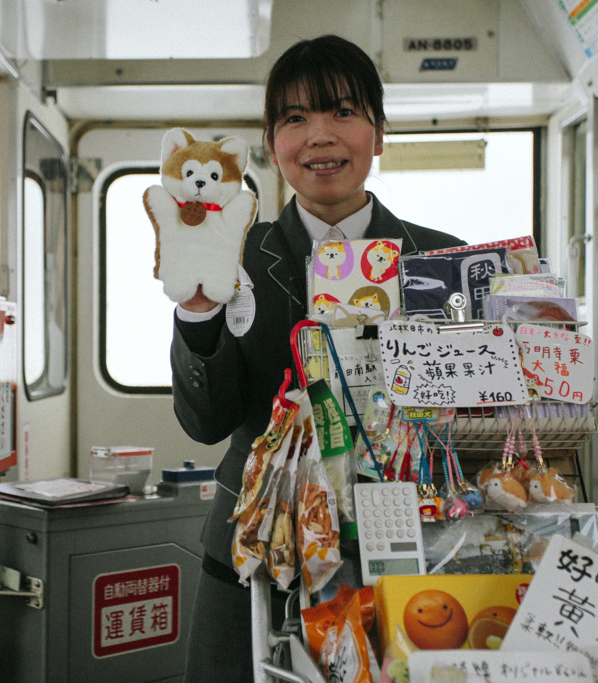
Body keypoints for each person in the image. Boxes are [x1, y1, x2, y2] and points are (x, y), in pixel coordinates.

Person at [170, 35, 466, 681]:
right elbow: (205, 422)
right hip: (255, 536)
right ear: (272, 142)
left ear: (378, 133)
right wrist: (195, 313)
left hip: (411, 534)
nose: (319, 136)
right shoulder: (230, 257)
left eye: (342, 112)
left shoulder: (444, 262)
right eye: (295, 118)